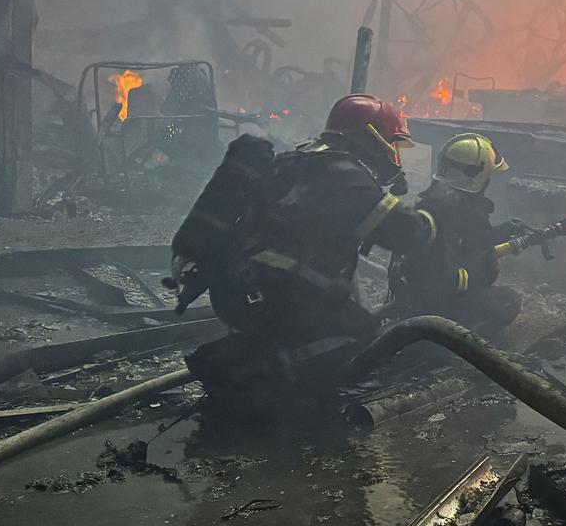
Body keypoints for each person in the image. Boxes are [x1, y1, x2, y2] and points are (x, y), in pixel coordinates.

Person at [169, 94, 435, 401]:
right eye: (393, 143)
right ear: (372, 137)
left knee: (340, 318)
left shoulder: (298, 159)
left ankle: (262, 359)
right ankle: (262, 382)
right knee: (361, 338)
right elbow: (404, 233)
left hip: (237, 289)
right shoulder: (347, 175)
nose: (394, 154)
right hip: (277, 297)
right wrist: (432, 219)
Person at [388, 132, 525, 339]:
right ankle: (459, 347)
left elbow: (472, 239)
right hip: (437, 306)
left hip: (435, 299)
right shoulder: (435, 216)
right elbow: (442, 279)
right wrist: (480, 274)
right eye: (487, 175)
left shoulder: (451, 203)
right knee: (509, 301)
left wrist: (503, 232)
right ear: (476, 177)